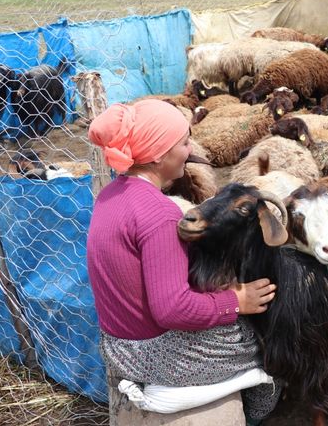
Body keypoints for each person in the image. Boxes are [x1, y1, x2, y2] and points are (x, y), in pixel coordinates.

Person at [86, 99, 279, 423]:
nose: (190, 151)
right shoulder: (159, 214)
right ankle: (257, 416)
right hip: (154, 353)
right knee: (269, 347)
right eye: (184, 142)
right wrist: (235, 301)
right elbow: (172, 309)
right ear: (159, 154)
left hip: (116, 343)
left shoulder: (111, 194)